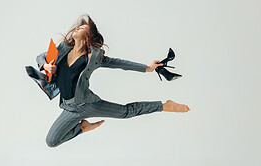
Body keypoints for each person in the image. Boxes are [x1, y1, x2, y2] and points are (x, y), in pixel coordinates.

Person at [34, 14, 190, 148]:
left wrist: (147, 68)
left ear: (88, 36)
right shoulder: (62, 48)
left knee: (126, 112)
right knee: (51, 141)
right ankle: (83, 127)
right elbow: (40, 58)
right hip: (69, 107)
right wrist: (46, 65)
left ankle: (163, 105)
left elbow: (121, 64)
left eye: (82, 28)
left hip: (87, 105)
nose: (76, 28)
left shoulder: (93, 58)